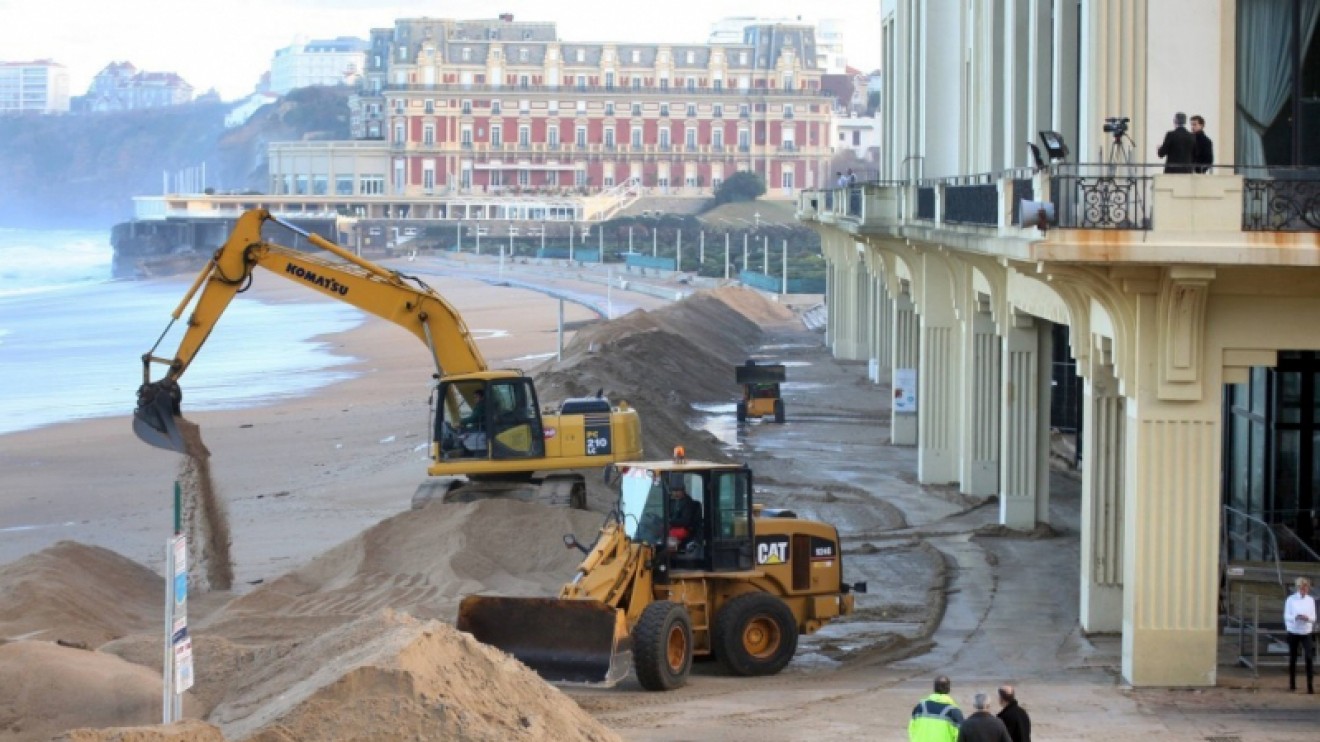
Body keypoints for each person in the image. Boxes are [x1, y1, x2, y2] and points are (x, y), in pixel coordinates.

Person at [1285, 576, 1316, 693]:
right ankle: (1292, 683)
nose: (1305, 590)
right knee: (1293, 657)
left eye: (1306, 587)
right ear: (1298, 588)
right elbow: (1286, 616)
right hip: (1293, 631)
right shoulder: (1290, 600)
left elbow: (1313, 618)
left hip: (1306, 631)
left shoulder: (1310, 600)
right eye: (1303, 588)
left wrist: (1307, 618)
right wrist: (1296, 617)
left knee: (1309, 657)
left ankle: (1310, 685)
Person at [910, 675, 963, 742]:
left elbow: (912, 730)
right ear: (948, 689)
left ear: (934, 688)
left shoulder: (920, 707)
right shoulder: (954, 711)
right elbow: (961, 736)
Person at [668, 483, 702, 548]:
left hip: (684, 528)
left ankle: (669, 553)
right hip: (672, 526)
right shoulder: (671, 501)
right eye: (673, 491)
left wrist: (670, 522)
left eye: (677, 491)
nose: (675, 493)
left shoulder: (688, 502)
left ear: (683, 491)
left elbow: (685, 521)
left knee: (668, 535)